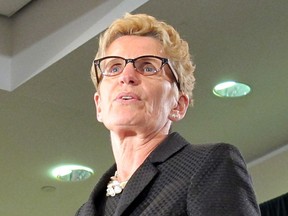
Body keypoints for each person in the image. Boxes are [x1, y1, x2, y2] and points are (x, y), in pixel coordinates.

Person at [76, 13, 260, 216]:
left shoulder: (206, 165)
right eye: (115, 67)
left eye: (147, 66)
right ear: (99, 105)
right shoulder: (86, 211)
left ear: (178, 105)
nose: (127, 76)